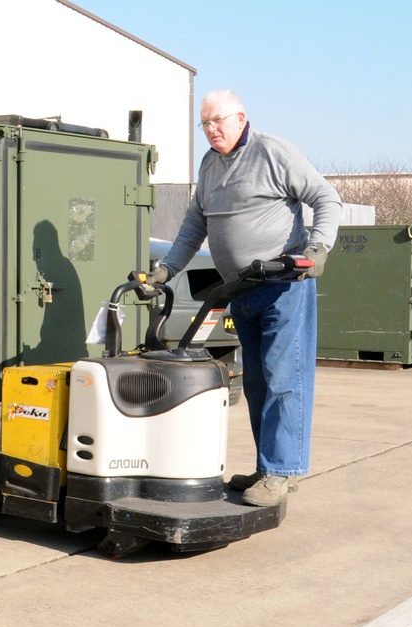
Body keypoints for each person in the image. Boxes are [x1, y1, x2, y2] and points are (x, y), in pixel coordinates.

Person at [151, 89, 342, 508]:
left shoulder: (275, 153)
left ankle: (280, 473)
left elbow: (326, 198)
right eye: (204, 124)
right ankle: (268, 465)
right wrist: (166, 269)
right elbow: (193, 225)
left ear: (240, 117)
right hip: (241, 290)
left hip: (282, 287)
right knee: (256, 382)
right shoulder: (209, 164)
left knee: (283, 380)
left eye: (217, 121)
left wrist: (318, 249)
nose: (211, 130)